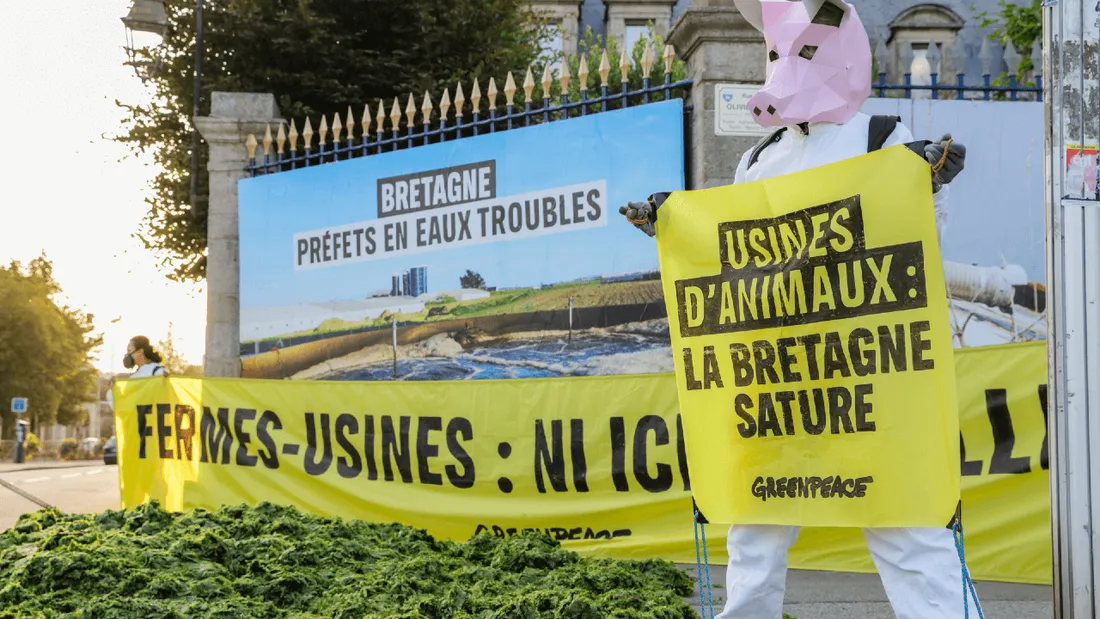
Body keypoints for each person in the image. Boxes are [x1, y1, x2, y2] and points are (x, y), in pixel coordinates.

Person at [618, 1, 971, 617]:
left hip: (865, 371)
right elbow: (732, 251)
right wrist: (673, 225)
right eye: (778, 54)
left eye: (802, 53)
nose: (784, 67)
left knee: (906, 522)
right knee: (755, 526)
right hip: (780, 373)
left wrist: (928, 186)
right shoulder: (758, 159)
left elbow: (918, 243)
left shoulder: (881, 137)